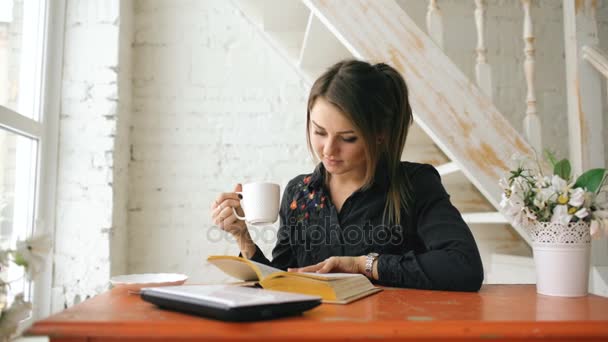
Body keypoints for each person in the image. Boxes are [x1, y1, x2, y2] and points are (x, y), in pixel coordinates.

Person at [211, 59, 484, 291]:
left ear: (380, 135)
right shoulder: (298, 194)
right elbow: (281, 281)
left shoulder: (415, 184)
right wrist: (242, 237)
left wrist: (363, 264)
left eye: (348, 138)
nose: (328, 150)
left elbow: (464, 266)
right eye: (319, 132)